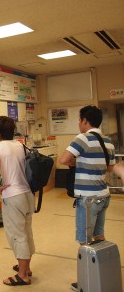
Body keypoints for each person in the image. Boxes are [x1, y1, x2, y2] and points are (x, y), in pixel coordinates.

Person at [58, 105, 116, 292]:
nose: (79, 124)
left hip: (88, 198)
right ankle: (103, 276)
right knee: (99, 237)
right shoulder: (108, 141)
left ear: (85, 121)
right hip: (103, 196)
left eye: (79, 120)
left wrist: (76, 160)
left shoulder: (82, 138)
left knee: (84, 241)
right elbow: (109, 168)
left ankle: (87, 283)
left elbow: (63, 160)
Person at [0, 116, 34, 286]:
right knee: (27, 232)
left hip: (13, 197)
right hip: (28, 194)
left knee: (17, 235)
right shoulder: (21, 145)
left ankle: (23, 276)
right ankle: (26, 268)